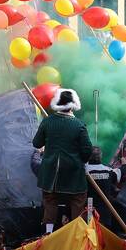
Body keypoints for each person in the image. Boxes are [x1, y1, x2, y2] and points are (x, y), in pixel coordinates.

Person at [32, 88, 93, 229]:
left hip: (50, 174)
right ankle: (74, 233)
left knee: (50, 201)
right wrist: (82, 161)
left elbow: (36, 143)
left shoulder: (47, 122)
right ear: (73, 105)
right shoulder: (79, 125)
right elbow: (87, 150)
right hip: (73, 174)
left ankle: (48, 234)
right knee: (78, 201)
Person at [86, 147, 126, 233]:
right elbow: (120, 172)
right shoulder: (108, 171)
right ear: (100, 157)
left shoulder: (83, 171)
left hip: (87, 210)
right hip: (104, 214)